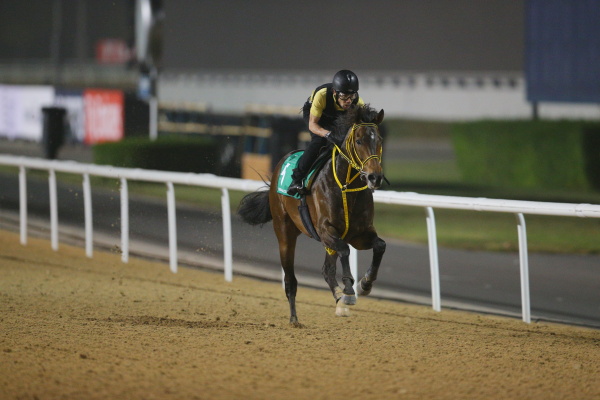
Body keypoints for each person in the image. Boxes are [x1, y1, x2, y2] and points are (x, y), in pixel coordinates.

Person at [287, 70, 365, 196]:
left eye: (351, 97)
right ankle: (296, 179)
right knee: (319, 141)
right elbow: (313, 125)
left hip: (337, 116)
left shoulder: (357, 102)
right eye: (344, 97)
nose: (348, 102)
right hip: (317, 116)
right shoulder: (322, 95)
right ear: (334, 92)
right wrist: (328, 134)